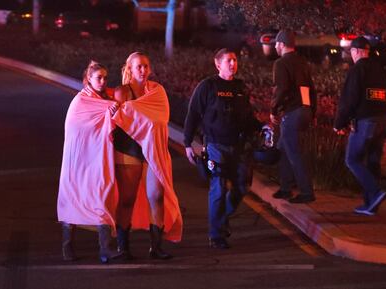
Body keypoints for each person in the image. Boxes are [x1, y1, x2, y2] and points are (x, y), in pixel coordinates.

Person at [184, 48, 260, 249]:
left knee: (242, 187)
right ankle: (216, 234)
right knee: (218, 188)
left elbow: (248, 117)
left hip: (239, 146)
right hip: (216, 144)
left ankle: (221, 218)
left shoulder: (240, 87)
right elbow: (193, 115)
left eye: (235, 60)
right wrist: (187, 143)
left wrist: (262, 127)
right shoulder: (207, 87)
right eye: (229, 60)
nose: (233, 64)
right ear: (218, 64)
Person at [112, 52, 183, 259]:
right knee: (127, 199)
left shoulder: (157, 91)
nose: (142, 70)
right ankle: (123, 247)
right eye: (138, 67)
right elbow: (119, 120)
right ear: (130, 69)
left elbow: (162, 120)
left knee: (156, 196)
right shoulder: (122, 92)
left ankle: (156, 246)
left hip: (154, 150)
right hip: (128, 149)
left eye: (145, 66)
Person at [57, 61, 120, 264]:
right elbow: (76, 126)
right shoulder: (82, 101)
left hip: (98, 157)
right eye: (98, 77)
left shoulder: (105, 99)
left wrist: (110, 115)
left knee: (102, 196)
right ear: (88, 79)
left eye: (105, 77)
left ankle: (105, 249)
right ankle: (67, 246)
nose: (102, 81)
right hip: (78, 159)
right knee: (73, 196)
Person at [333, 36, 386, 216]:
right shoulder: (380, 71)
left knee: (352, 159)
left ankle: (375, 192)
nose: (351, 55)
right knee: (373, 162)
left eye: (351, 52)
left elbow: (349, 100)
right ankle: (370, 205)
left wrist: (339, 124)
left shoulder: (357, 70)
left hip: (366, 123)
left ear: (357, 51)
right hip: (383, 122)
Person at [270, 29, 317, 204]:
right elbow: (311, 89)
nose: (275, 46)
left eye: (276, 43)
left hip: (292, 112)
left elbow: (281, 89)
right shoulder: (302, 62)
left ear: (282, 45)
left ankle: (306, 192)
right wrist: (312, 111)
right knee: (284, 148)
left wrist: (273, 110)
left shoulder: (281, 63)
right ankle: (285, 188)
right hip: (305, 110)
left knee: (294, 152)